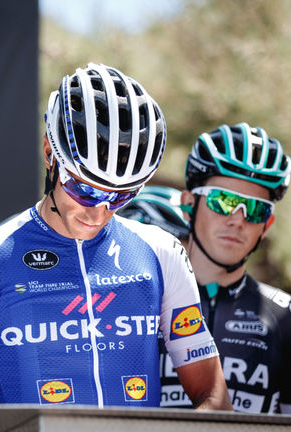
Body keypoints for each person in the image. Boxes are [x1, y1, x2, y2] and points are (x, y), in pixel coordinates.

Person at [0, 63, 232, 411]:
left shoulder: (162, 253)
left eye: (120, 196)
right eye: (83, 190)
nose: (97, 213)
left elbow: (214, 397)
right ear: (49, 154)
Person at [120, 123, 291, 414]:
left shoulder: (285, 318)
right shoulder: (130, 302)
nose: (237, 220)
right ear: (189, 203)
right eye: (222, 201)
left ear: (267, 225)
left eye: (255, 209)